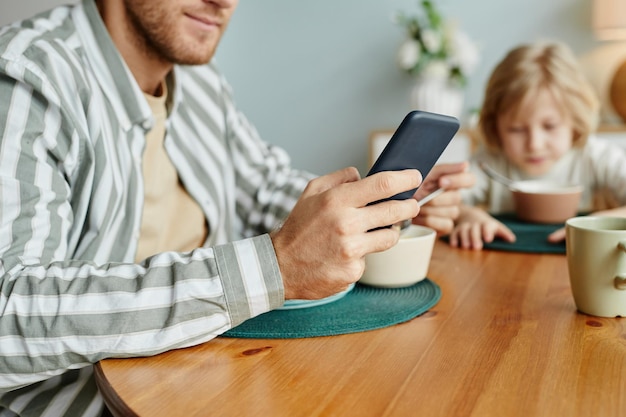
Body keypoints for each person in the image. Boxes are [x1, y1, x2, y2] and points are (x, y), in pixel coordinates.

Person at [0, 0, 474, 415]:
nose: (223, 1)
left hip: (212, 378)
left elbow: (268, 189)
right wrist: (275, 266)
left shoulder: (201, 82)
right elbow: (8, 311)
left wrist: (378, 203)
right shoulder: (28, 75)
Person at [449, 41, 626, 250]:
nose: (534, 144)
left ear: (576, 121)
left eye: (550, 126)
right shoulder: (489, 162)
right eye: (516, 129)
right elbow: (443, 200)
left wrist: (602, 222)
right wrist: (467, 214)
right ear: (494, 126)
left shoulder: (595, 156)